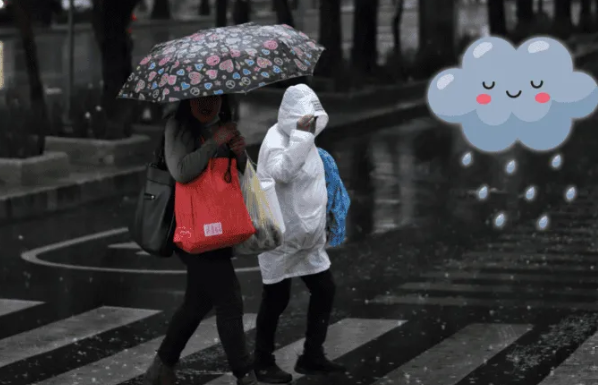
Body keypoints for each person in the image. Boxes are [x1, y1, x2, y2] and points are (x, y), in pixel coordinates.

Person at [143, 95, 257, 385]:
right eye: (202, 98)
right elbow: (181, 171)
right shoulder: (178, 126)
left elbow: (240, 173)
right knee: (229, 300)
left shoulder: (224, 126)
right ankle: (245, 374)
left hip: (219, 226)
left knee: (197, 301)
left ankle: (161, 367)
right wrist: (213, 143)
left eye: (215, 97)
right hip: (191, 227)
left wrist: (240, 153)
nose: (209, 103)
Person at [253, 84, 345, 384]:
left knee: (324, 289)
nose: (312, 123)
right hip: (281, 238)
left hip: (307, 240)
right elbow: (281, 172)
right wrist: (302, 136)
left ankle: (312, 355)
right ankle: (262, 362)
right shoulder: (275, 139)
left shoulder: (306, 142)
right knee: (276, 298)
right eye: (307, 117)